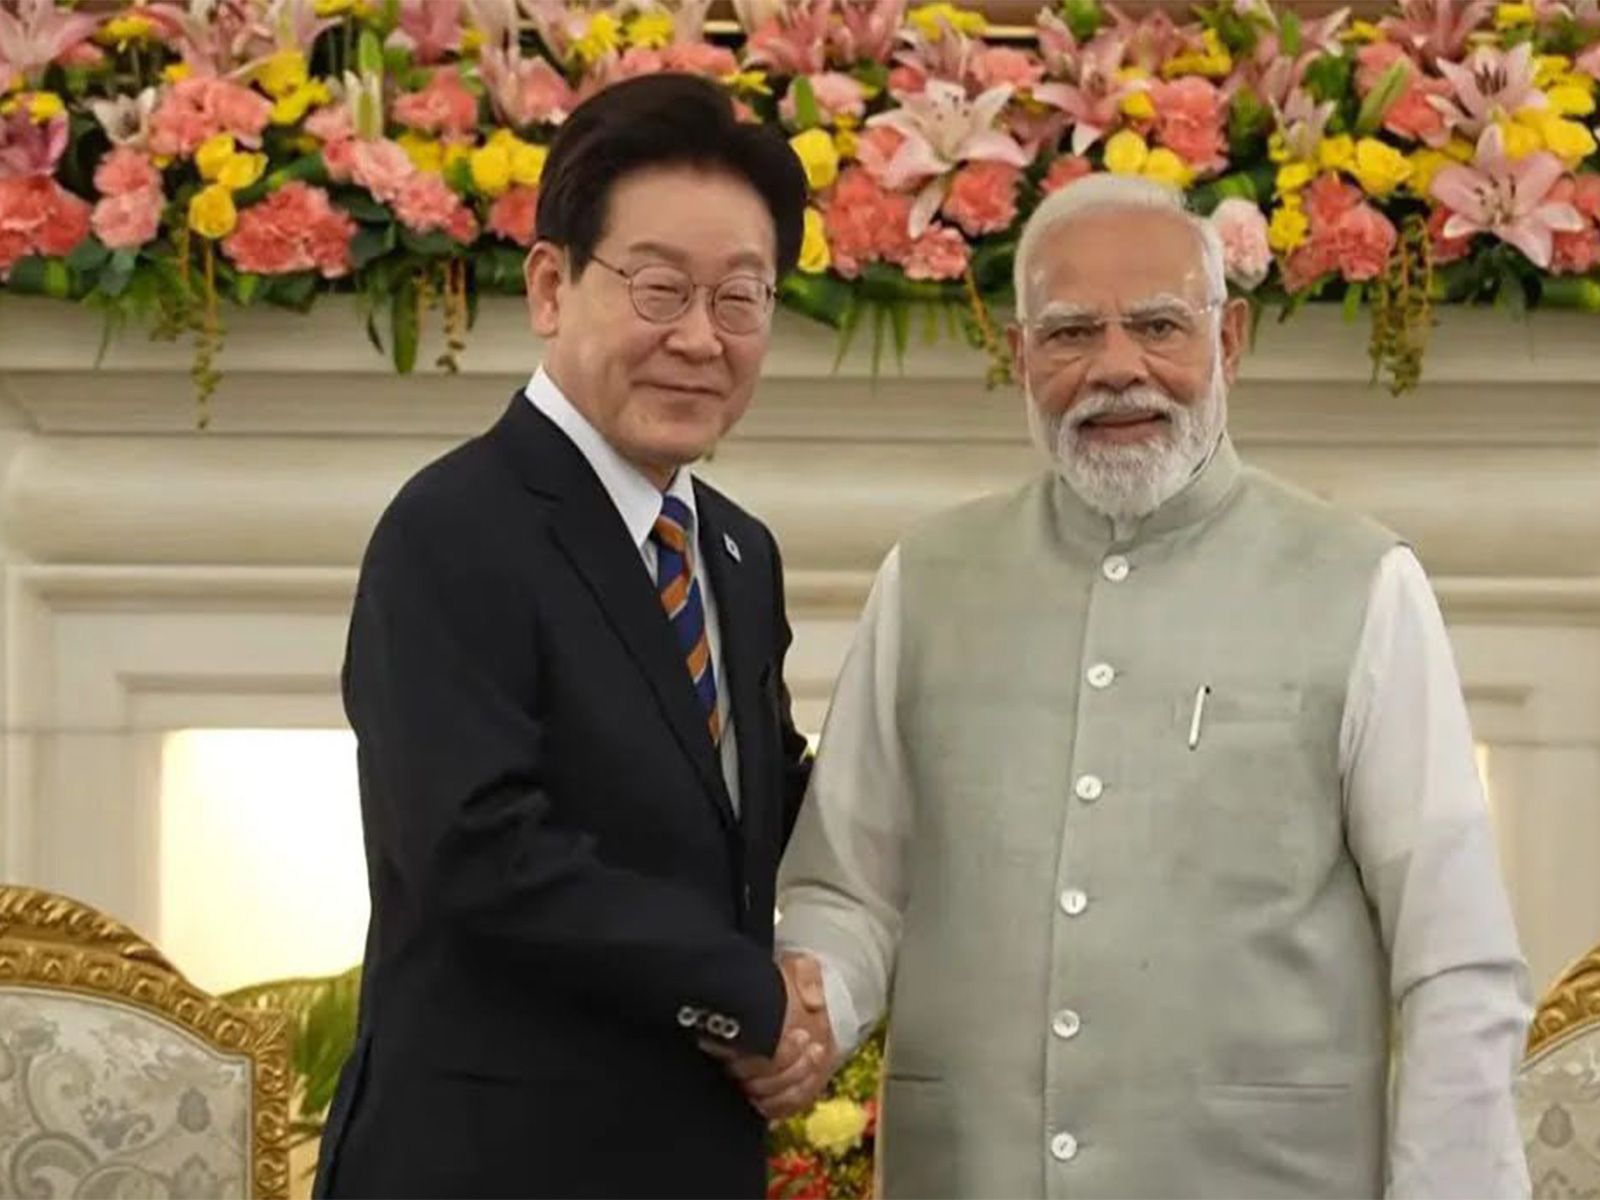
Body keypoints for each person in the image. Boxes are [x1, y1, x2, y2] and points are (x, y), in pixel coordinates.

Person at [753, 174, 1533, 1198]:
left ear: (1230, 343)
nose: (1116, 369)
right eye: (1071, 334)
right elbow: (848, 891)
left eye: (1159, 325)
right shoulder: (927, 580)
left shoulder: (1361, 583)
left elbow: (1455, 962)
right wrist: (809, 1004)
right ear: (1019, 354)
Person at [313, 73, 831, 1200]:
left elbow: (754, 805)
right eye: (658, 290)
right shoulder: (454, 527)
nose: (701, 339)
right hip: (490, 1162)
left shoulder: (734, 552)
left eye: (741, 299)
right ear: (550, 285)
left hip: (686, 1155)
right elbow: (480, 854)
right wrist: (746, 998)